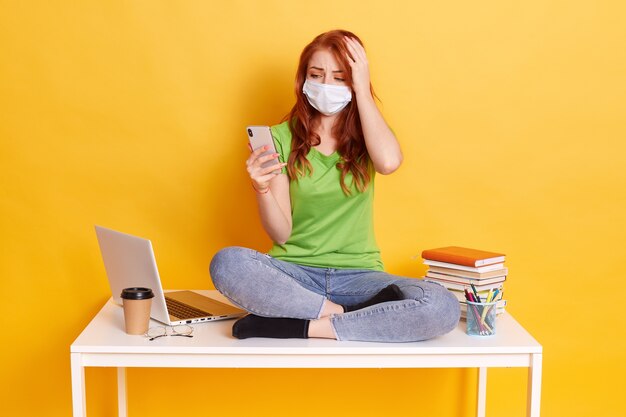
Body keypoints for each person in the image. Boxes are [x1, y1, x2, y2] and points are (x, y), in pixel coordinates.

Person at [210, 29, 460, 342]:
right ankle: (342, 315)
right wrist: (261, 189)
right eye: (317, 75)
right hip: (295, 275)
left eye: (340, 77)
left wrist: (363, 90)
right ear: (303, 80)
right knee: (227, 263)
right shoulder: (279, 138)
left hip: (361, 276)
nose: (327, 85)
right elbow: (281, 233)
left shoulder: (370, 132)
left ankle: (299, 327)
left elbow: (388, 163)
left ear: (355, 82)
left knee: (442, 305)